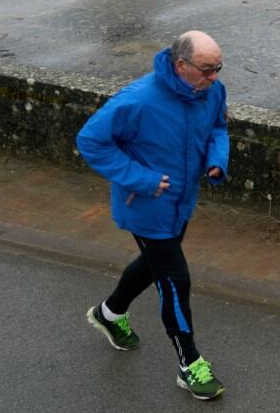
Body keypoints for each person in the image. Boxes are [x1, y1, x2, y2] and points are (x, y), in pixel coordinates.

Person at [76, 30, 231, 401]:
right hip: (145, 206)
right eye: (207, 69)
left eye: (218, 69)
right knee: (175, 280)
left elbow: (219, 129)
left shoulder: (211, 91)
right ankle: (189, 363)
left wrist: (216, 160)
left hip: (181, 202)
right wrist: (143, 179)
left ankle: (109, 314)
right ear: (181, 65)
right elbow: (90, 141)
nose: (214, 77)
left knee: (154, 265)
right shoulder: (139, 99)